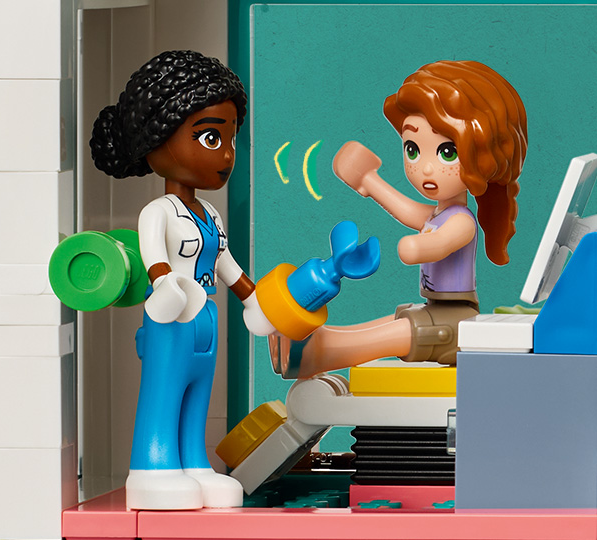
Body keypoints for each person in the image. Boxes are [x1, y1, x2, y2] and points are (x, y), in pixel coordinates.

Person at [90, 50, 274, 510]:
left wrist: (252, 298)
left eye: (231, 139)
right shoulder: (159, 211)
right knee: (164, 391)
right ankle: (152, 466)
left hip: (205, 316)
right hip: (171, 317)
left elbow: (225, 261)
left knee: (197, 394)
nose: (227, 155)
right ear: (159, 137)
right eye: (210, 137)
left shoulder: (208, 213)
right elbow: (155, 258)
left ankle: (194, 463)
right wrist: (163, 285)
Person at [273, 60, 528, 379]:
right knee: (399, 318)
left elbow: (441, 242)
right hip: (436, 310)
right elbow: (407, 210)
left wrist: (418, 247)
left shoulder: (462, 221)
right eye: (413, 149)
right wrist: (368, 180)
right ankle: (320, 338)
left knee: (404, 331)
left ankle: (319, 352)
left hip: (455, 321)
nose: (426, 168)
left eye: (447, 152)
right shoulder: (439, 213)